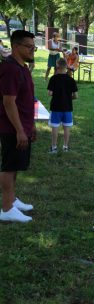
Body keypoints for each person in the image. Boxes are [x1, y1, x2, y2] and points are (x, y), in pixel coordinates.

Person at [0, 30, 37, 223]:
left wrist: (31, 126)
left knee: (15, 166)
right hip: (11, 129)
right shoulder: (10, 69)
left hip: (23, 126)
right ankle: (6, 208)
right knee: (8, 166)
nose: (33, 50)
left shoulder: (22, 67)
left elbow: (26, 99)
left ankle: (12, 200)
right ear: (16, 47)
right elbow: (8, 102)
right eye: (29, 47)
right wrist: (20, 130)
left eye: (34, 47)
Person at [47, 58, 78, 153]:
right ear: (66, 66)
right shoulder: (71, 80)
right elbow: (76, 96)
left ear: (57, 66)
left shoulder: (53, 78)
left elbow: (49, 93)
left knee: (55, 128)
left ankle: (54, 147)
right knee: (67, 128)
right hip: (68, 107)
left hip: (56, 107)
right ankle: (65, 147)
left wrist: (57, 95)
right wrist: (68, 98)